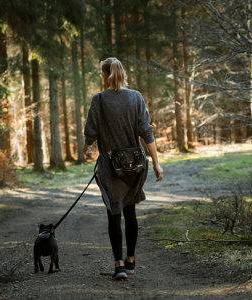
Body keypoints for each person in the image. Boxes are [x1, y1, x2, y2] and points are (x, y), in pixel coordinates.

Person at [83, 57, 163, 280]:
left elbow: (91, 132)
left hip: (110, 166)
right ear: (122, 73)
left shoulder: (98, 100)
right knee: (130, 211)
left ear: (104, 74)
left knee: (113, 213)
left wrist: (86, 149)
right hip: (135, 165)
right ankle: (131, 261)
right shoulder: (136, 97)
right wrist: (156, 162)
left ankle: (118, 265)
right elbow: (146, 131)